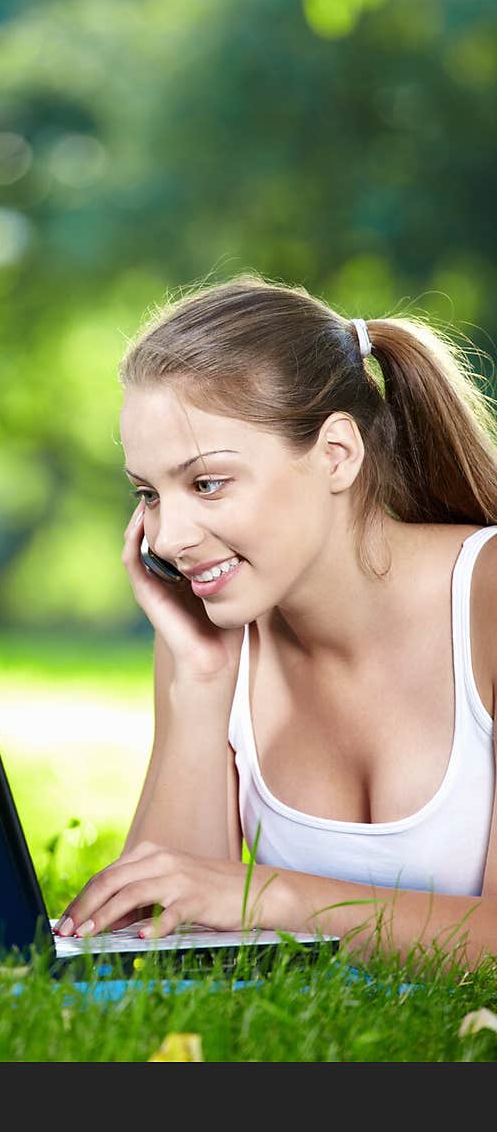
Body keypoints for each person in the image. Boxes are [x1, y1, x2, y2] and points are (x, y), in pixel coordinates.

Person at [53, 273, 497, 971]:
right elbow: (159, 937)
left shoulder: (487, 601)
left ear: (336, 455)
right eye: (149, 493)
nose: (168, 538)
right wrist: (201, 679)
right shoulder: (213, 631)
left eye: (205, 483)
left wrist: (274, 900)